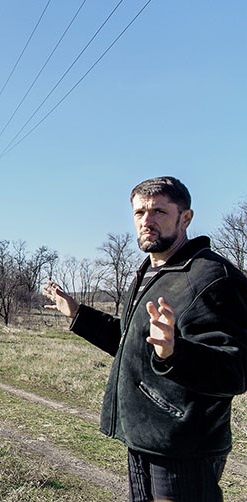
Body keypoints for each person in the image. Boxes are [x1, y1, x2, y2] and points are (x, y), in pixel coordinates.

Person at [43, 176, 247, 502]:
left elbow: (236, 369)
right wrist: (78, 314)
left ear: (186, 218)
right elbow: (132, 343)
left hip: (183, 448)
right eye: (139, 213)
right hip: (143, 436)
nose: (146, 221)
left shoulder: (211, 277)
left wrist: (175, 353)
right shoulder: (150, 272)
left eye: (158, 212)